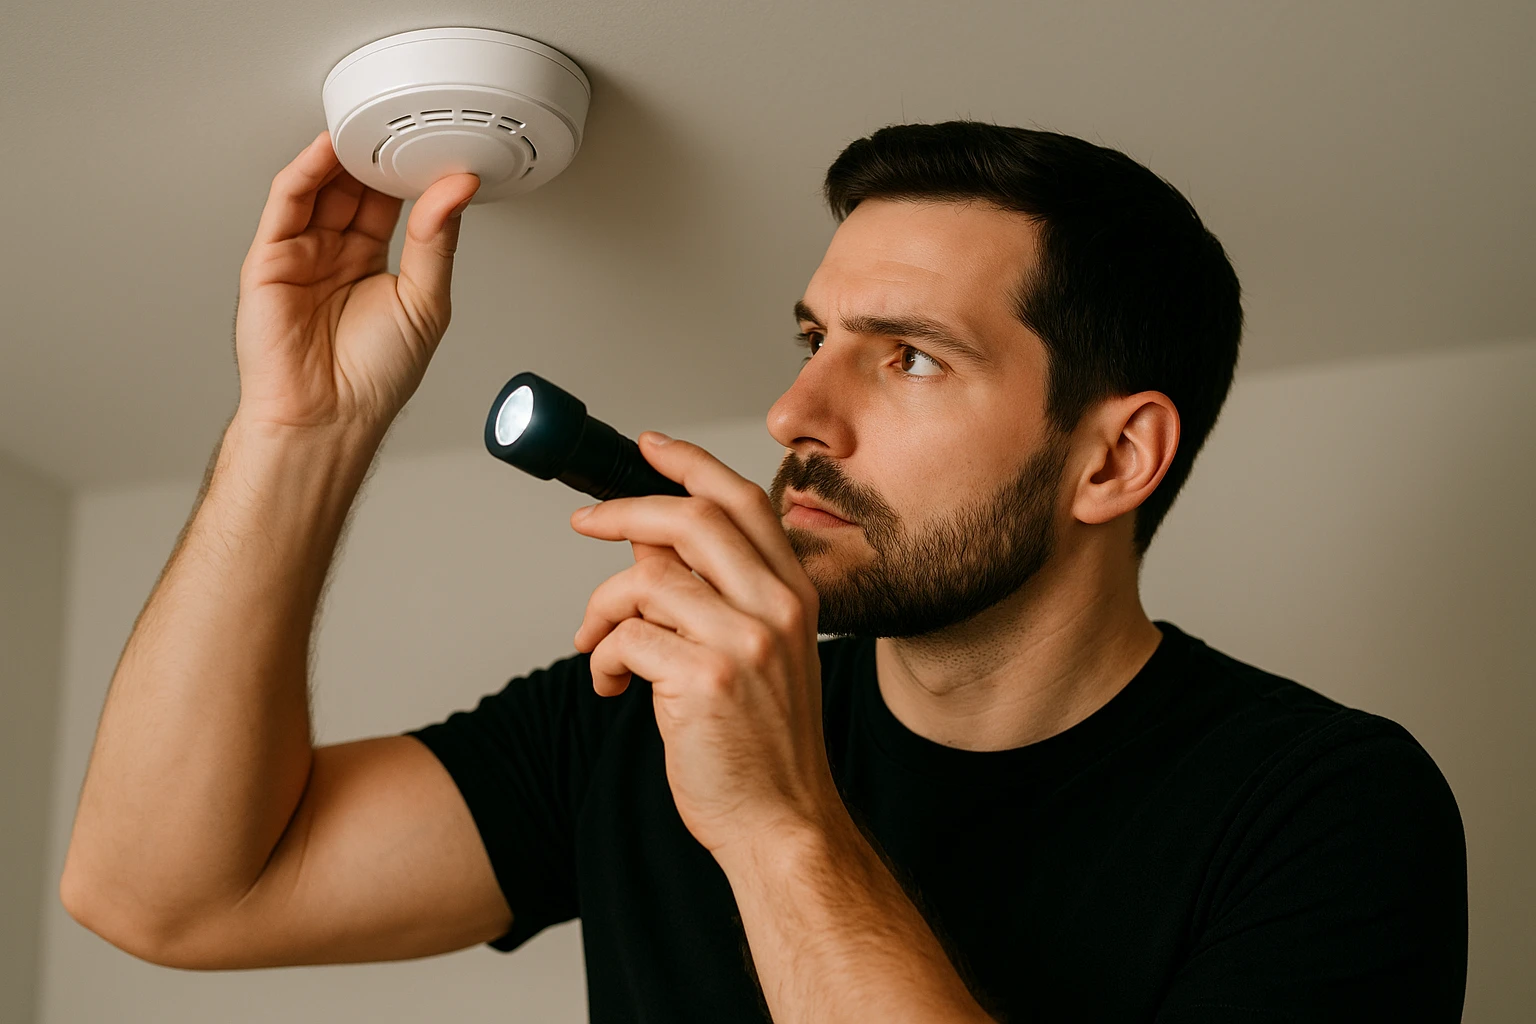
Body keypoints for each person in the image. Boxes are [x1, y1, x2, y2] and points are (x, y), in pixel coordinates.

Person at [59, 121, 1467, 1023]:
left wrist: (780, 824)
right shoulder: (641, 718)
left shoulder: (1328, 810)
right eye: (814, 342)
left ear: (1112, 461)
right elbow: (165, 895)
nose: (798, 417)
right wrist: (300, 430)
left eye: (907, 355)